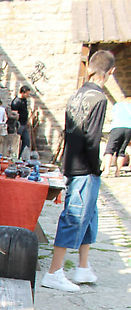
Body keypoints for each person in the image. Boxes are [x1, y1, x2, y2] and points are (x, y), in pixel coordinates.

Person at [41, 50, 115, 292]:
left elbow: (70, 132)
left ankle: (83, 266)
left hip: (72, 162)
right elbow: (92, 139)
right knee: (73, 217)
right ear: (110, 72)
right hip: (85, 167)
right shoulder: (99, 99)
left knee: (90, 215)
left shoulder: (76, 95)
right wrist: (97, 167)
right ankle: (54, 272)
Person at [103, 96, 131, 177]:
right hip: (129, 128)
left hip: (117, 127)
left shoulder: (118, 105)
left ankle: (107, 170)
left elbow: (112, 116)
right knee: (121, 151)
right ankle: (117, 172)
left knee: (109, 149)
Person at [10, 85, 33, 158]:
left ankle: (23, 157)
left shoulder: (24, 100)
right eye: (27, 94)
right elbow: (14, 115)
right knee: (17, 142)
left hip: (24, 123)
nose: (28, 95)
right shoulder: (16, 102)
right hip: (19, 124)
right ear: (23, 93)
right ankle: (16, 157)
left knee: (26, 142)